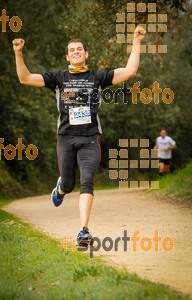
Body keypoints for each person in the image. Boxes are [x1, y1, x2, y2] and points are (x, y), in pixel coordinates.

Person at [12, 25, 146, 247]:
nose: (75, 52)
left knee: (87, 180)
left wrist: (136, 41)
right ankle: (61, 188)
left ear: (86, 54)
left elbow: (130, 70)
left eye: (79, 49)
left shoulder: (98, 77)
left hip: (90, 138)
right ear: (67, 56)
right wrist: (18, 53)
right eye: (71, 50)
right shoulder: (58, 78)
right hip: (65, 137)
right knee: (69, 184)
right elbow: (25, 78)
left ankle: (83, 231)